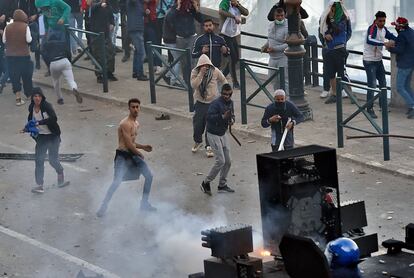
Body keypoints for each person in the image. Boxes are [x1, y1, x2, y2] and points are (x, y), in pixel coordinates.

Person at [97, 98, 156, 216]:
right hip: (123, 155)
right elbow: (128, 145)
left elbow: (132, 143)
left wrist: (143, 147)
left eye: (137, 107)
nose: (135, 109)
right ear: (129, 108)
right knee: (117, 181)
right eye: (133, 107)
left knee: (149, 176)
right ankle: (103, 206)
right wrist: (139, 153)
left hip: (132, 153)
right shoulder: (125, 123)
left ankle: (144, 204)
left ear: (140, 108)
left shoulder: (136, 123)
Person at [23, 87, 69, 193]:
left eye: (39, 96)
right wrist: (27, 129)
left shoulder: (46, 106)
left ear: (42, 97)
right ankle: (39, 185)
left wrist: (40, 122)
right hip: (42, 138)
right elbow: (31, 121)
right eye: (35, 96)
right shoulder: (31, 108)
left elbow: (54, 118)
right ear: (32, 98)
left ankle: (60, 175)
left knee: (53, 160)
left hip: (53, 136)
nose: (37, 98)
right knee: (39, 160)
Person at [200, 83, 235, 195]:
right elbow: (208, 117)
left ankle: (222, 185)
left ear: (231, 94)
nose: (226, 96)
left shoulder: (231, 103)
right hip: (213, 134)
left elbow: (232, 116)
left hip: (223, 133)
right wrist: (221, 117)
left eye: (228, 94)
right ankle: (205, 182)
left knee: (228, 161)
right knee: (220, 161)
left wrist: (231, 120)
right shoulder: (215, 104)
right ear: (221, 93)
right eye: (224, 94)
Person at [191, 54, 228, 158]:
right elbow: (194, 85)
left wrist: (225, 92)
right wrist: (201, 75)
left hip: (213, 102)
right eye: (203, 66)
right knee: (198, 124)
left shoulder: (215, 71)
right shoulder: (195, 72)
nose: (205, 67)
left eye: (207, 65)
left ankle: (209, 146)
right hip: (200, 102)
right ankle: (198, 141)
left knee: (210, 125)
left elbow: (224, 80)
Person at [362, 11, 396, 119]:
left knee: (383, 84)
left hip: (378, 60)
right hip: (369, 60)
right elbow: (369, 39)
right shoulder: (372, 28)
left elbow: (392, 36)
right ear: (376, 20)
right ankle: (369, 109)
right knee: (372, 85)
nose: (382, 22)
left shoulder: (384, 29)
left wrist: (398, 40)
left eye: (384, 21)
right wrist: (384, 43)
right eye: (380, 21)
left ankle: (382, 106)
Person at [319, 0, 352, 104]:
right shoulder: (326, 18)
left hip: (340, 48)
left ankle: (351, 94)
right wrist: (325, 36)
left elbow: (338, 30)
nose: (331, 10)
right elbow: (324, 30)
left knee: (342, 73)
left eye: (333, 8)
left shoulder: (343, 17)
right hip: (329, 49)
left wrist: (332, 18)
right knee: (331, 73)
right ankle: (334, 94)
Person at [42, 30, 83, 104]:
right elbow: (68, 53)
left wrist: (48, 66)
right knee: (71, 80)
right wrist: (69, 62)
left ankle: (60, 99)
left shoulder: (47, 44)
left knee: (56, 81)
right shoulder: (63, 43)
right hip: (64, 61)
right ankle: (74, 88)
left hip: (53, 62)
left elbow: (44, 55)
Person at [2, 9, 34, 106]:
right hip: (23, 55)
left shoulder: (8, 27)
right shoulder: (25, 26)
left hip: (10, 56)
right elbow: (29, 39)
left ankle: (18, 98)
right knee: (26, 76)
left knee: (14, 76)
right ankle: (29, 95)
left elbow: (4, 40)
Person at [167, 0, 202, 84]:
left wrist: (196, 8)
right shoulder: (175, 8)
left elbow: (201, 19)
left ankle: (192, 80)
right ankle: (187, 82)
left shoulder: (191, 7)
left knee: (192, 60)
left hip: (191, 37)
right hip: (180, 38)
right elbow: (169, 19)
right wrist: (178, 7)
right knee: (184, 62)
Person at [385, 17, 414, 119]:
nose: (395, 28)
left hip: (404, 64)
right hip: (411, 63)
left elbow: (400, 50)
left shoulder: (402, 35)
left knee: (400, 87)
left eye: (396, 26)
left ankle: (412, 106)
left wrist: (389, 48)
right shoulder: (411, 31)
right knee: (406, 86)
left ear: (399, 27)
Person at [219, 0, 248, 89]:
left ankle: (222, 76)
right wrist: (233, 16)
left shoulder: (237, 4)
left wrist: (238, 5)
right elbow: (221, 11)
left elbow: (246, 12)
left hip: (233, 34)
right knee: (232, 58)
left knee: (236, 58)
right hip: (225, 34)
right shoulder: (225, 2)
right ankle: (235, 82)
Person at [89, 0, 117, 83]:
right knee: (98, 54)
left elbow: (111, 16)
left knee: (111, 52)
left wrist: (112, 23)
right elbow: (92, 8)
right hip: (96, 33)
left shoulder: (108, 5)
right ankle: (99, 75)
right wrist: (100, 4)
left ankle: (109, 72)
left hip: (106, 33)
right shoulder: (95, 3)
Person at [261, 8, 288, 92]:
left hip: (282, 57)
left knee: (284, 80)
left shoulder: (287, 27)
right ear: (274, 16)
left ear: (284, 16)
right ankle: (277, 97)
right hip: (272, 57)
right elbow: (270, 39)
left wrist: (275, 49)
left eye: (281, 16)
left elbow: (288, 44)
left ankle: (286, 99)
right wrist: (265, 46)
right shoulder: (271, 25)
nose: (280, 18)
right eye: (277, 16)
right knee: (273, 79)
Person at [127, 0, 148, 81]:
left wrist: (145, 12)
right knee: (141, 52)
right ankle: (140, 74)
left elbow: (138, 12)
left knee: (137, 51)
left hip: (138, 27)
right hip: (135, 28)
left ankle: (135, 72)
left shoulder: (139, 3)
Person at [162, 6, 182, 87]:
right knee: (178, 60)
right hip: (170, 39)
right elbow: (173, 27)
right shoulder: (173, 13)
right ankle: (173, 81)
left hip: (167, 38)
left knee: (175, 58)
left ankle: (167, 74)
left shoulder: (171, 10)